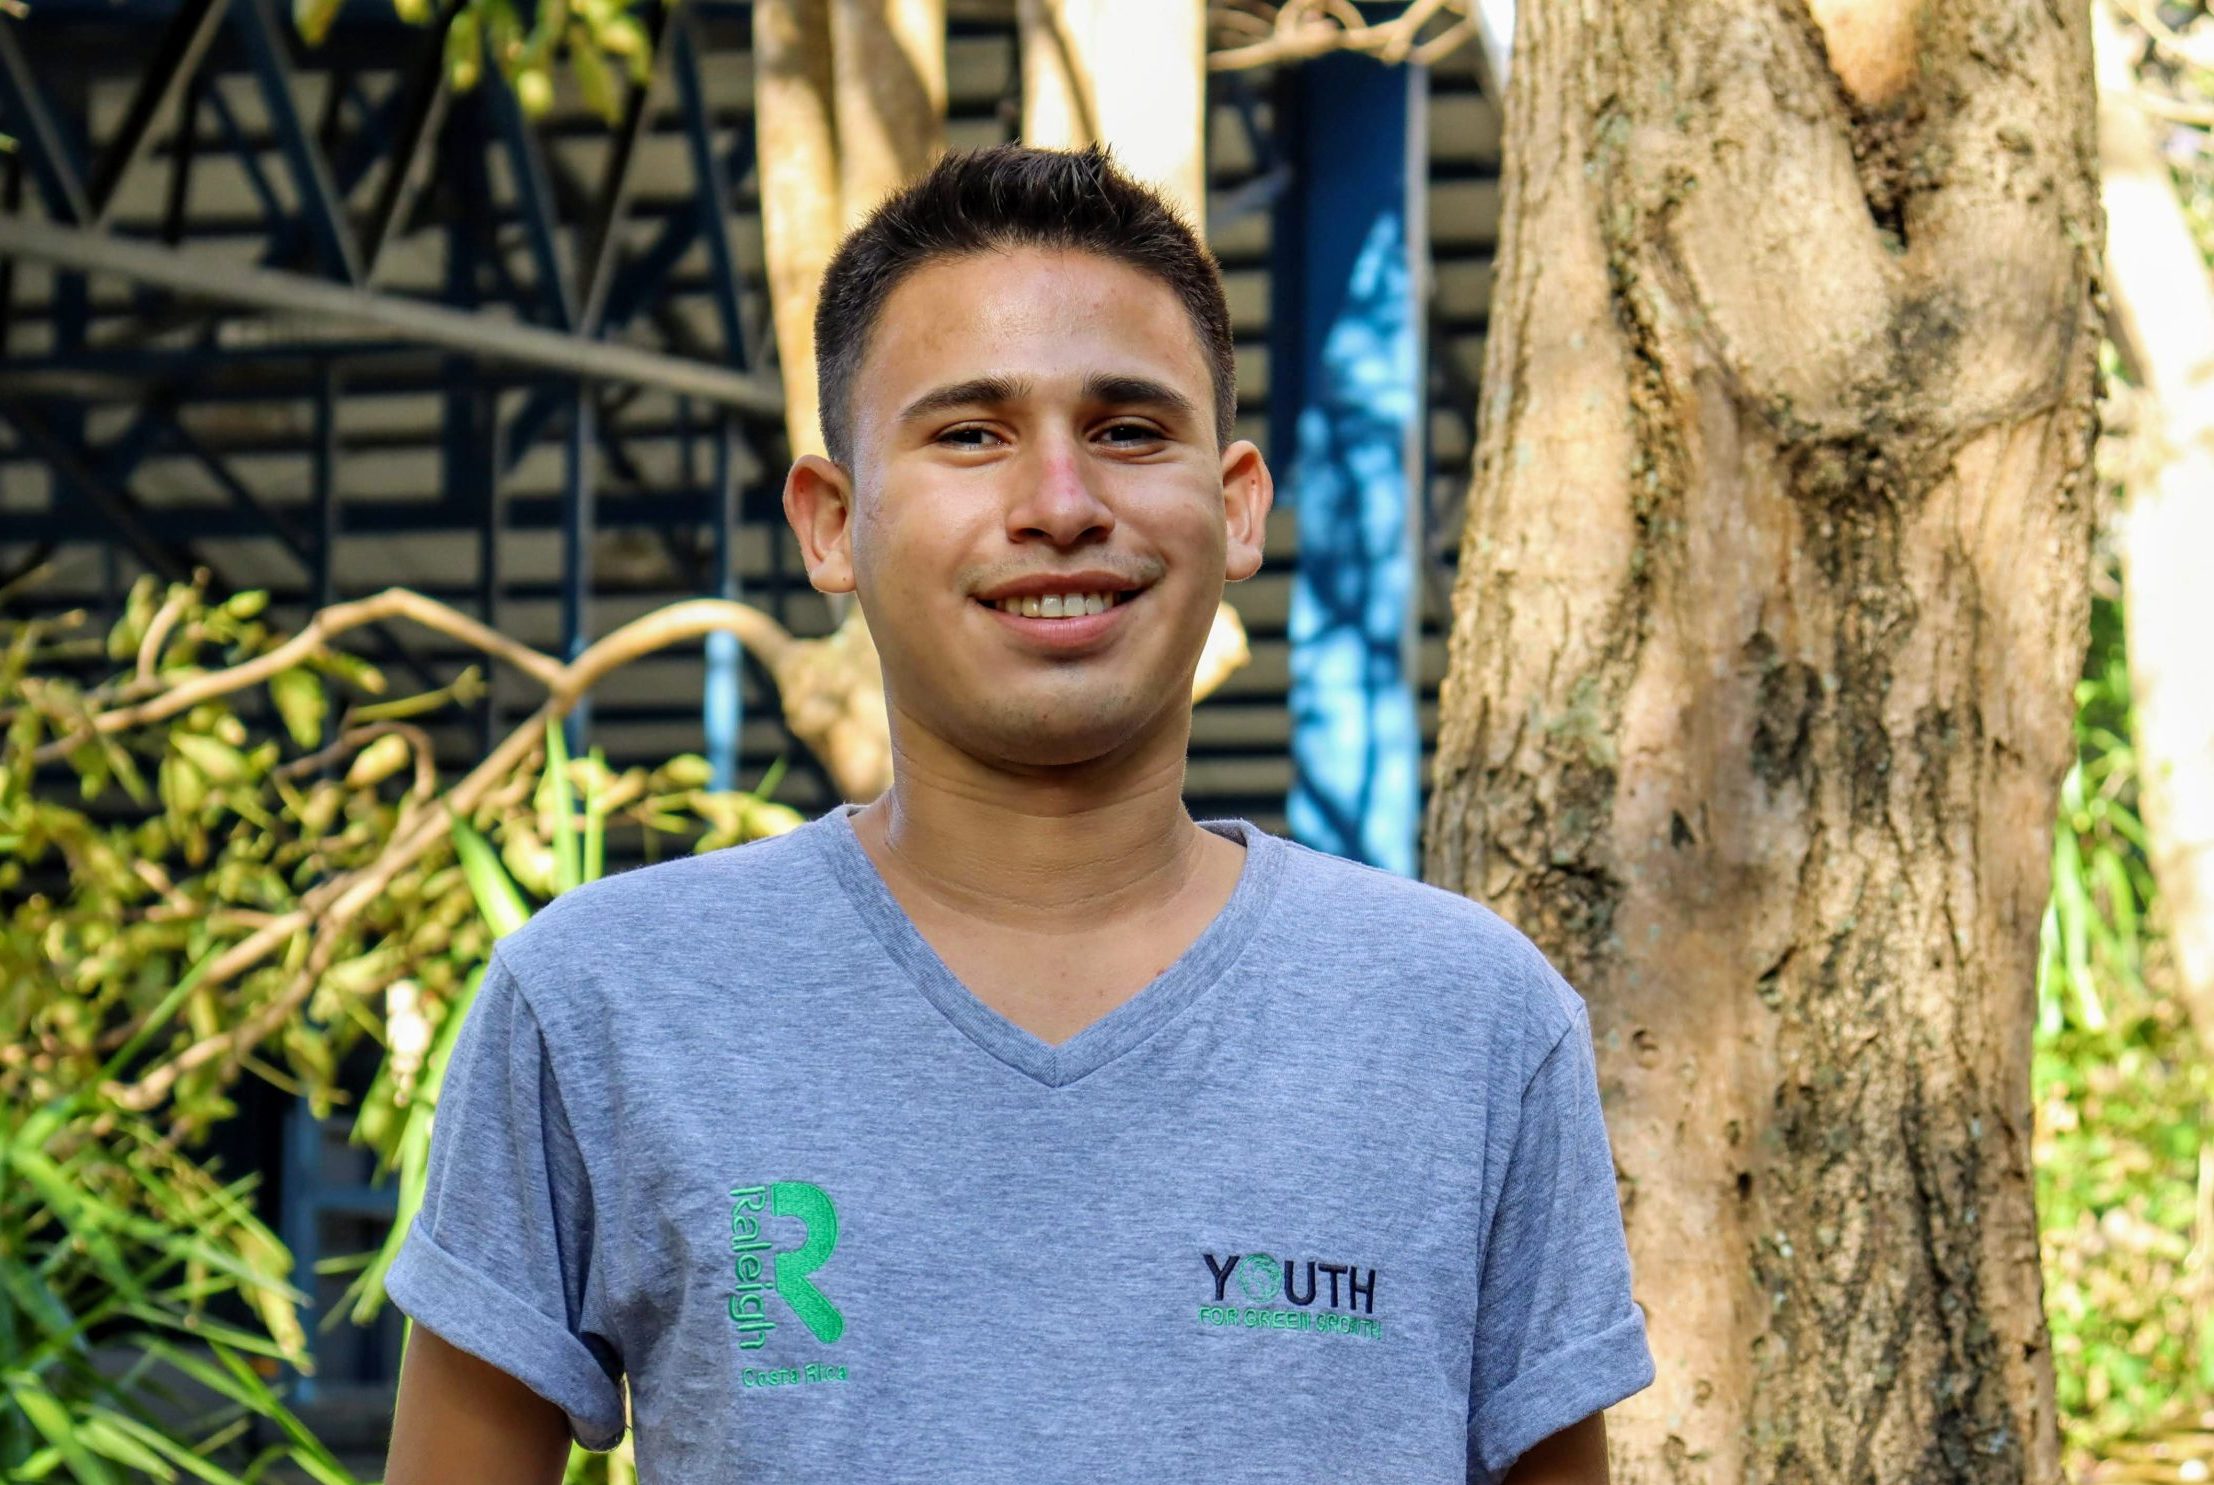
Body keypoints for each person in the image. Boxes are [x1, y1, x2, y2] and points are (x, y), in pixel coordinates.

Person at [381, 142, 1654, 1485]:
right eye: (970, 434)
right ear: (831, 522)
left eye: (1126, 429)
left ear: (1233, 507)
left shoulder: (1466, 1020)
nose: (1059, 505)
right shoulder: (604, 1002)